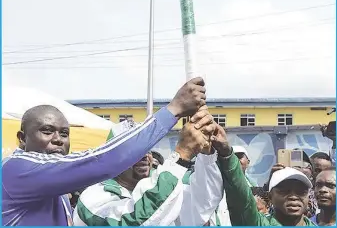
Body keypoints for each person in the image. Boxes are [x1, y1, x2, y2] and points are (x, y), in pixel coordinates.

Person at [2, 77, 208, 226]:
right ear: (22, 139)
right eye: (46, 131)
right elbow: (102, 160)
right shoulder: (15, 169)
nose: (57, 140)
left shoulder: (57, 191)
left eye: (64, 134)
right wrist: (174, 110)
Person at [73, 108, 215, 226]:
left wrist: (208, 155)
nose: (144, 156)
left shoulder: (160, 185)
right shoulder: (94, 197)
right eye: (133, 151)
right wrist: (181, 156)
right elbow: (135, 221)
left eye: (147, 149)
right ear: (113, 158)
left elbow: (201, 206)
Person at [211, 123, 316, 226]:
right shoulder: (258, 223)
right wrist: (226, 154)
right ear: (270, 197)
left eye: (301, 192)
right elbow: (241, 197)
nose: (293, 196)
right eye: (284, 191)